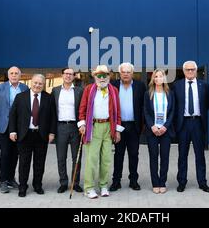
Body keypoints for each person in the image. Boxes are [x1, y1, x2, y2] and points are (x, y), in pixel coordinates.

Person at [78, 65, 123, 199]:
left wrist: (117, 130)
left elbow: (118, 111)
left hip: (109, 126)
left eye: (105, 75)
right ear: (95, 76)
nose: (102, 78)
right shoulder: (88, 89)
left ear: (109, 76)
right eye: (99, 75)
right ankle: (89, 187)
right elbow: (82, 108)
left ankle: (103, 185)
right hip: (94, 127)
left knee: (106, 159)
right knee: (92, 159)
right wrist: (82, 124)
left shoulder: (114, 90)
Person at [9, 74, 56, 197]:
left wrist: (51, 132)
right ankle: (23, 186)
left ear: (43, 84)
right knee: (24, 162)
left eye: (40, 83)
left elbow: (53, 117)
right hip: (25, 135)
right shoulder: (20, 97)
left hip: (41, 135)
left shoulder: (48, 98)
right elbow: (13, 115)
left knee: (39, 163)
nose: (37, 85)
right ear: (31, 82)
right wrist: (12, 131)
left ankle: (37, 185)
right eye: (35, 82)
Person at [0, 66, 28, 193]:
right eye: (11, 73)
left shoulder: (24, 88)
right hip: (4, 127)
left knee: (15, 154)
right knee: (5, 153)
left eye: (16, 73)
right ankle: (3, 181)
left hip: (19, 127)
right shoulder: (0, 88)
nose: (14, 75)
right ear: (8, 75)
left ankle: (11, 178)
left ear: (20, 75)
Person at [174, 61, 209, 193]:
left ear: (196, 71)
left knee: (200, 155)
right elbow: (175, 105)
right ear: (184, 71)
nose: (190, 72)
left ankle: (202, 182)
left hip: (197, 123)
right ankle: (182, 182)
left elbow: (206, 104)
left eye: (192, 69)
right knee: (182, 155)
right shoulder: (177, 85)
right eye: (187, 70)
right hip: (183, 124)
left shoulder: (204, 85)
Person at [110, 62, 146, 191]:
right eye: (123, 72)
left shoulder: (140, 86)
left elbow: (144, 106)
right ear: (120, 73)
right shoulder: (113, 85)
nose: (126, 74)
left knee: (134, 154)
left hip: (133, 126)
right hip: (118, 126)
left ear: (132, 73)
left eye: (128, 72)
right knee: (118, 154)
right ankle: (116, 181)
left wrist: (143, 125)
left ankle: (133, 181)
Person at [52, 68, 84, 194]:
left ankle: (75, 183)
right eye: (66, 74)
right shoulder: (55, 91)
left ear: (74, 77)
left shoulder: (79, 91)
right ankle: (63, 183)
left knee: (77, 157)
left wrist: (83, 125)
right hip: (60, 127)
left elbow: (83, 109)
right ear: (62, 75)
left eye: (71, 74)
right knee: (61, 157)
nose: (68, 76)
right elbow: (52, 111)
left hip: (75, 127)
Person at [144, 69, 175, 194]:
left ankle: (162, 182)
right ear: (153, 79)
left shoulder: (169, 93)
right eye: (155, 77)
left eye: (160, 76)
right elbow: (145, 111)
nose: (158, 79)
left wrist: (165, 126)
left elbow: (172, 111)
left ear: (164, 79)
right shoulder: (148, 94)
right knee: (153, 157)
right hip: (152, 130)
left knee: (165, 157)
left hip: (165, 130)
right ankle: (155, 183)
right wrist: (152, 126)